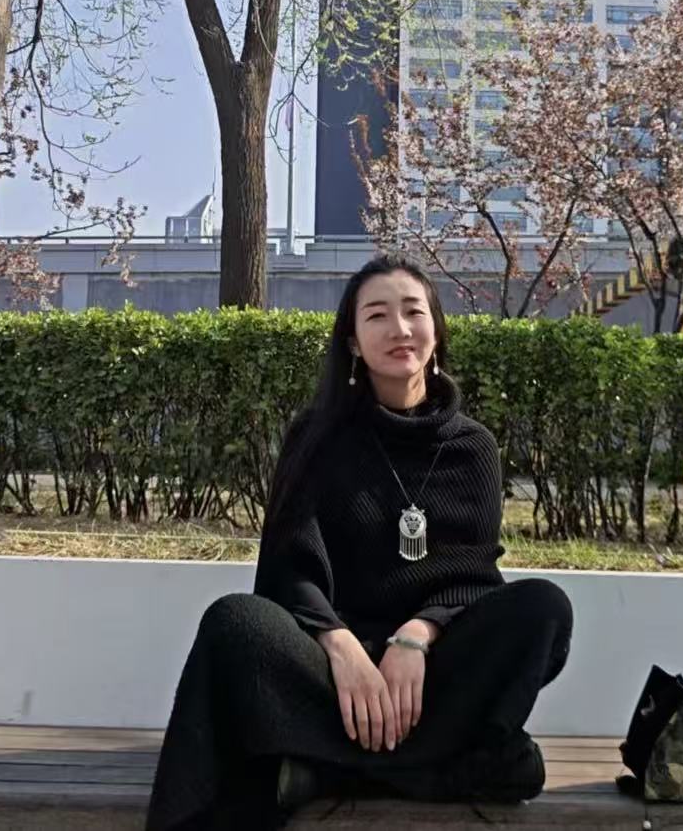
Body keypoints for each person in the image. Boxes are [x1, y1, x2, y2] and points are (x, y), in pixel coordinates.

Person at [144, 254, 575, 830]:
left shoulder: (474, 448)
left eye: (413, 312)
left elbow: (473, 576)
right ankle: (437, 766)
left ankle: (323, 767)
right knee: (233, 622)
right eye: (377, 315)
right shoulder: (316, 437)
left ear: (436, 328)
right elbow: (287, 570)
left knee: (544, 608)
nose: (399, 329)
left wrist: (416, 637)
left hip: (431, 670)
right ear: (352, 341)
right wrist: (342, 647)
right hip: (328, 672)